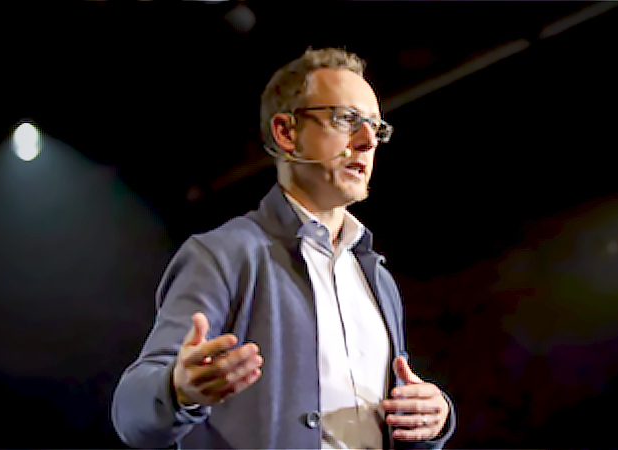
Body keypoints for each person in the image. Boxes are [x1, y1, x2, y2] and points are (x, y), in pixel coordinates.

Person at [111, 47, 456, 449]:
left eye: (376, 129)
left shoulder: (376, 276)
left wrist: (435, 417)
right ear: (286, 132)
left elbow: (396, 422)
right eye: (346, 120)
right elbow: (130, 412)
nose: (366, 142)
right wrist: (179, 390)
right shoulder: (223, 255)